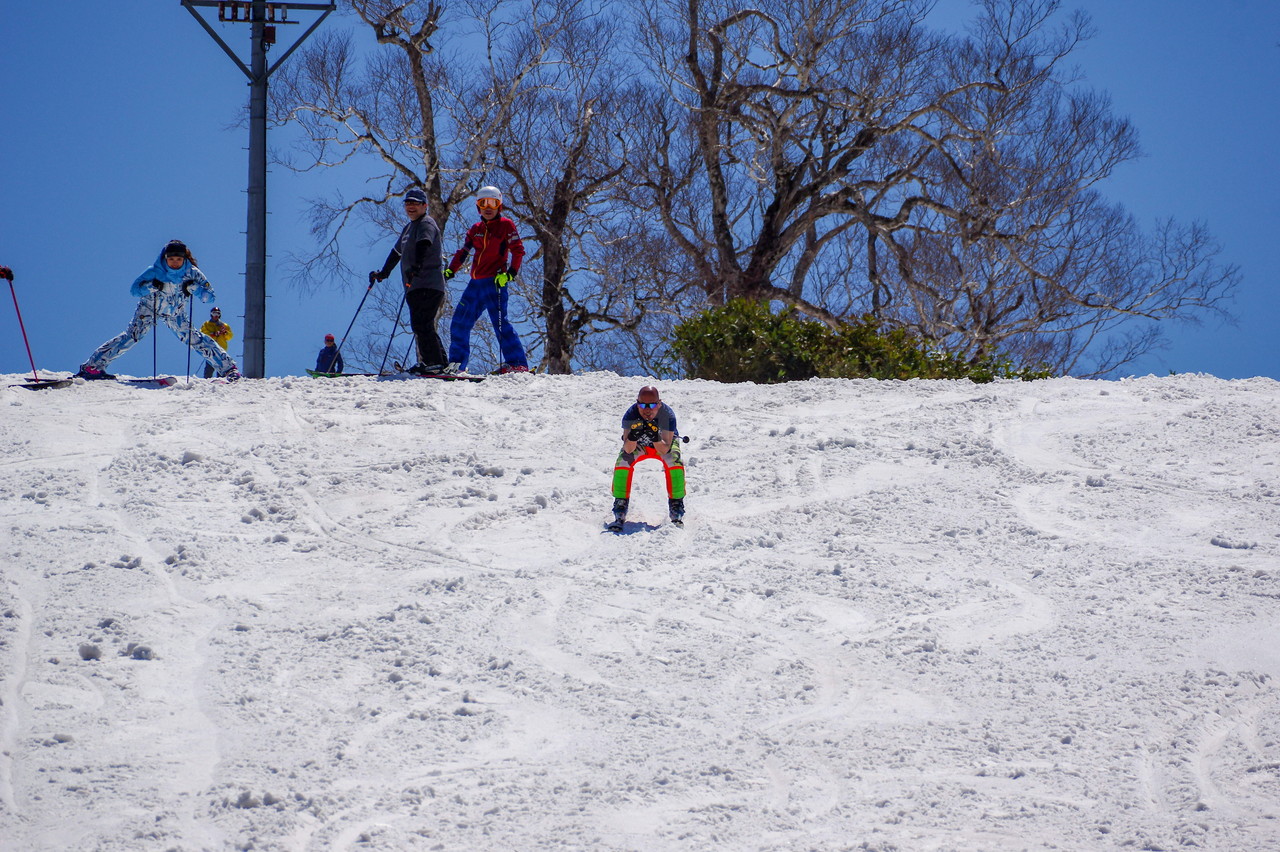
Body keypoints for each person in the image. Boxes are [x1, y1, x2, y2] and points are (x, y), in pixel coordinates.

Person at [76, 240, 240, 381]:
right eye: (171, 259)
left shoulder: (192, 273)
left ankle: (228, 369)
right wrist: (150, 286)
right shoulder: (154, 271)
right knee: (133, 336)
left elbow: (209, 297)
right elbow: (134, 290)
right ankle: (93, 367)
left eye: (178, 259)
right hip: (149, 308)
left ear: (184, 259)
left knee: (194, 338)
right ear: (165, 258)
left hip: (175, 312)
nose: (175, 262)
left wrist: (195, 288)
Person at [443, 186, 529, 374]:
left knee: (500, 322)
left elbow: (518, 250)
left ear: (499, 206)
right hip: (475, 284)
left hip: (495, 282)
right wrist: (450, 270)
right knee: (459, 322)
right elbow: (463, 252)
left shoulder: (506, 225)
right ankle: (456, 365)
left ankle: (517, 363)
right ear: (478, 207)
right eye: (483, 203)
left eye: (493, 203)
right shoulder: (476, 229)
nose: (488, 207)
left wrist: (510, 274)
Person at [368, 187, 448, 374]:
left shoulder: (426, 223)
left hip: (428, 282)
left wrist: (417, 266)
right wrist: (384, 273)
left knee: (422, 323)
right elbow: (396, 253)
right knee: (421, 324)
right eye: (408, 203)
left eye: (415, 203)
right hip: (414, 286)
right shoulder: (409, 228)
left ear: (424, 206)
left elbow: (424, 244)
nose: (411, 207)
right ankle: (439, 363)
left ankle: (433, 363)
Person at [610, 385, 686, 527]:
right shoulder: (631, 415)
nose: (647, 410)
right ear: (637, 403)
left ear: (659, 404)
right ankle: (620, 504)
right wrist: (633, 436)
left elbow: (664, 450)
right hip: (639, 446)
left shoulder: (667, 415)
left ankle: (676, 505)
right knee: (622, 463)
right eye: (642, 405)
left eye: (652, 405)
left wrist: (655, 437)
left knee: (674, 463)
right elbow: (627, 449)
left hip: (662, 444)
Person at [199, 306, 233, 378]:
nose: (216, 316)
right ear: (211, 314)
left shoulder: (224, 325)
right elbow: (203, 334)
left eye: (217, 314)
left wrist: (225, 332)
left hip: (221, 349)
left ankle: (221, 380)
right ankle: (207, 380)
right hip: (210, 348)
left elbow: (230, 336)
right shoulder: (207, 324)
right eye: (214, 313)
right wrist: (213, 334)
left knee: (221, 365)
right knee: (210, 365)